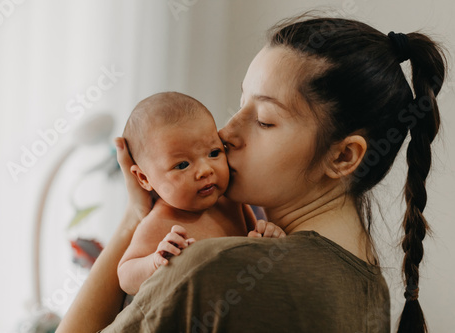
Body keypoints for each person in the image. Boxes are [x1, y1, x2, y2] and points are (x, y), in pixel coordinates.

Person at [57, 15, 446, 333]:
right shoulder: (367, 285)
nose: (225, 134)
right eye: (241, 103)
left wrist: (133, 222)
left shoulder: (218, 269)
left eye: (262, 120)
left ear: (344, 156)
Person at [117, 92, 284, 295]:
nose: (205, 170)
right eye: (182, 165)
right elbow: (125, 276)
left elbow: (251, 240)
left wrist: (265, 239)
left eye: (214, 153)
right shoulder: (158, 222)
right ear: (144, 178)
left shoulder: (231, 203)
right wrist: (154, 262)